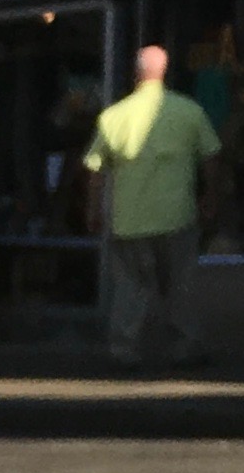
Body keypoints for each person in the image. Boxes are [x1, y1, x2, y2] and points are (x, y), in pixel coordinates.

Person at [85, 44, 225, 369]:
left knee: (130, 287)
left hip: (129, 220)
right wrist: (211, 196)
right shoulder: (189, 112)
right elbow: (212, 157)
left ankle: (124, 349)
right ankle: (185, 347)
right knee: (180, 285)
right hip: (177, 216)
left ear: (135, 74)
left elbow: (95, 171)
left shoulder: (113, 117)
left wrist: (94, 210)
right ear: (165, 72)